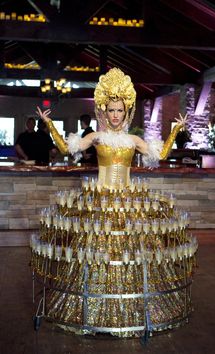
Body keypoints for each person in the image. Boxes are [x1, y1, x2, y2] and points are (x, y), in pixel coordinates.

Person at [32, 68, 197, 337]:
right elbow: (66, 149)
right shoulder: (96, 137)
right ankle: (92, 311)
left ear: (126, 111)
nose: (116, 115)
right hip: (99, 202)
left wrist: (176, 129)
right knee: (94, 253)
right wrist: (49, 124)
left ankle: (133, 311)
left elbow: (162, 153)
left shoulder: (133, 139)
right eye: (111, 110)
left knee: (133, 254)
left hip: (129, 203)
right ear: (104, 111)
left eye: (120, 110)